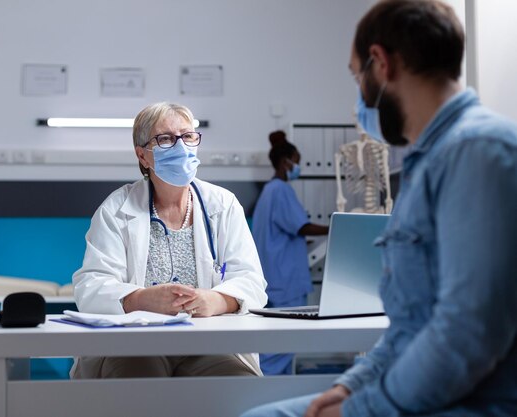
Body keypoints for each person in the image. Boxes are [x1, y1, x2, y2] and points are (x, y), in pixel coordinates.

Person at [241, 0, 517, 416]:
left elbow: (467, 334)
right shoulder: (428, 162)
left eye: (356, 76)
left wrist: (364, 407)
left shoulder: (478, 153)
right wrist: (352, 385)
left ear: (380, 63)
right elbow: (410, 327)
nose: (359, 96)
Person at [70, 102, 268, 379]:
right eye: (165, 139)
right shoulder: (116, 209)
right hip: (135, 343)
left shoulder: (222, 204)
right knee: (139, 384)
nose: (180, 146)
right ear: (143, 156)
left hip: (209, 343)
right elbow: (91, 286)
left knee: (238, 383)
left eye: (187, 136)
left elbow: (251, 280)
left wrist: (216, 300)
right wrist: (139, 299)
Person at [251, 131, 329, 375]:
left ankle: (272, 389)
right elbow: (301, 226)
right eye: (297, 160)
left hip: (274, 278)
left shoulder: (267, 192)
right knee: (283, 346)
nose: (299, 166)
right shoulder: (281, 190)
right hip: (286, 282)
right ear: (286, 162)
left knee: (278, 344)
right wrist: (337, 227)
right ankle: (259, 385)